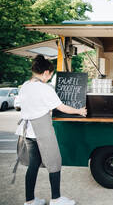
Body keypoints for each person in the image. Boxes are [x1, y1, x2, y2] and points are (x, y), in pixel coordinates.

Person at [15, 55, 87, 205]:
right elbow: (61, 107)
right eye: (50, 75)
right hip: (42, 129)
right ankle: (56, 199)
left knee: (33, 165)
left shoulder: (25, 85)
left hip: (27, 130)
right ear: (46, 72)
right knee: (54, 162)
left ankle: (30, 201)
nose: (49, 78)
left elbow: (20, 105)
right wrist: (79, 111)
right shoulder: (44, 88)